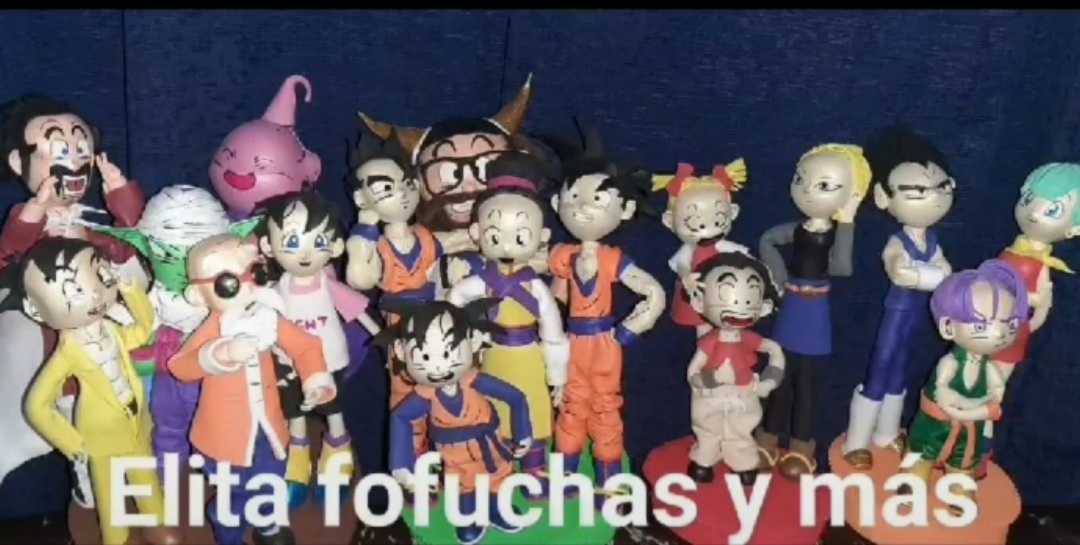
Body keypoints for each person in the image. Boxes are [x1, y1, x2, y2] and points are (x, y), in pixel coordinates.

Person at [0, 94, 147, 516]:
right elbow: (10, 254)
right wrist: (36, 211)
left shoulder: (86, 220)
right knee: (64, 385)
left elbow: (133, 241)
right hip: (50, 322)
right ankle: (84, 459)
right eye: (58, 150)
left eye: (81, 148)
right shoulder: (26, 220)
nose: (74, 161)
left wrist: (121, 194)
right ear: (18, 162)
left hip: (103, 313)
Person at [168, 234, 335, 545]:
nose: (247, 285)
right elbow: (180, 367)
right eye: (228, 283)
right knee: (237, 490)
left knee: (272, 477)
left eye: (255, 273)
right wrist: (220, 354)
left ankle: (267, 523)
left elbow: (305, 346)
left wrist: (316, 380)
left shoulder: (267, 317)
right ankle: (228, 531)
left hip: (269, 426)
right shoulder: (214, 328)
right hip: (224, 437)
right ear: (198, 294)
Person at [9, 238, 178, 545]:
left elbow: (143, 331)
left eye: (99, 278)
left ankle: (156, 524)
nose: (95, 294)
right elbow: (36, 405)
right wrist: (73, 443)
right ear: (36, 309)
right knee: (109, 494)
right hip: (100, 435)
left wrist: (131, 292)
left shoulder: (112, 329)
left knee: (146, 477)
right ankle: (117, 538)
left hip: (135, 420)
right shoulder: (66, 355)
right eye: (75, 290)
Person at [92, 185, 262, 484]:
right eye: (168, 254)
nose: (184, 265)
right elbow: (138, 320)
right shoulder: (155, 295)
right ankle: (170, 476)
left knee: (215, 426)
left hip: (215, 373)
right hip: (167, 370)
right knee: (169, 424)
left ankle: (216, 473)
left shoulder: (232, 295)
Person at [541, 121, 665, 504]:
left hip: (603, 342)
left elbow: (654, 293)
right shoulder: (562, 256)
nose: (582, 208)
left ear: (625, 209)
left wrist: (627, 332)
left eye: (598, 199)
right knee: (570, 407)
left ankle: (608, 481)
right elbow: (550, 292)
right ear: (556, 204)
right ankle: (566, 476)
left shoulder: (614, 259)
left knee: (606, 409)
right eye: (573, 196)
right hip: (571, 343)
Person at [447, 153, 569, 499]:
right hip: (492, 359)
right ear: (476, 233)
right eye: (494, 234)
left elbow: (554, 336)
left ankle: (534, 470)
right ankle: (496, 471)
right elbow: (456, 300)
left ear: (542, 237)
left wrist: (558, 376)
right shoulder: (480, 282)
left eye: (520, 237)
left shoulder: (536, 289)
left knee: (534, 411)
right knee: (493, 412)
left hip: (530, 360)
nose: (506, 246)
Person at [258, 191, 380, 507]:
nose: (305, 253)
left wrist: (385, 338)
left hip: (330, 361)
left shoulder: (328, 286)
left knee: (334, 411)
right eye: (292, 242)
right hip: (287, 363)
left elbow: (359, 313)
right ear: (268, 246)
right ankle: (297, 461)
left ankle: (338, 453)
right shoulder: (274, 291)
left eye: (319, 242)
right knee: (294, 412)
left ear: (336, 247)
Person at [843, 125, 955, 469]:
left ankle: (886, 433)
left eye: (942, 186)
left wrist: (930, 277)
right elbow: (901, 273)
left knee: (900, 372)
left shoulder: (932, 241)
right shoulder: (898, 242)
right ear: (882, 196)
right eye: (917, 190)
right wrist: (932, 277)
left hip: (917, 315)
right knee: (880, 369)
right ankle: (857, 441)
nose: (934, 197)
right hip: (897, 313)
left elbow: (945, 272)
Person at [757, 143, 869, 480]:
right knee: (778, 375)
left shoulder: (835, 231)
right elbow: (767, 240)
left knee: (806, 384)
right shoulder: (795, 229)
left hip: (815, 312)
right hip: (791, 306)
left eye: (823, 185)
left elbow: (843, 268)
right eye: (801, 180)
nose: (807, 191)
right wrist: (777, 277)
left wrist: (847, 221)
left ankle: (801, 450)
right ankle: (766, 440)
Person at [382, 298, 532, 545]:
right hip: (454, 456)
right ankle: (469, 516)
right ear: (400, 351)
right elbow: (401, 417)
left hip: (490, 445)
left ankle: (497, 509)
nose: (438, 367)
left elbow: (515, 396)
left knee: (499, 478)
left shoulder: (474, 380)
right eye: (425, 356)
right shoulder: (425, 394)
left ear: (473, 342)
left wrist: (523, 432)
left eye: (447, 353)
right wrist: (401, 464)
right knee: (464, 488)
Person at [345, 123, 443, 465]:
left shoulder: (426, 236)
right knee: (406, 397)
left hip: (439, 326)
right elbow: (359, 278)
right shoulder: (376, 245)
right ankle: (409, 468)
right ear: (362, 200)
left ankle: (445, 463)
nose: (401, 194)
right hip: (401, 328)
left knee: (444, 393)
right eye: (386, 188)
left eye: (407, 183)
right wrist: (364, 228)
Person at [902, 260, 1025, 512]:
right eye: (982, 325)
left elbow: (996, 392)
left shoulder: (990, 368)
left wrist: (985, 405)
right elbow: (943, 394)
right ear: (948, 327)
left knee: (965, 458)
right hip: (935, 426)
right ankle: (914, 477)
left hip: (969, 432)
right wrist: (974, 409)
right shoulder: (949, 363)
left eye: (1009, 324)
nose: (999, 333)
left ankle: (960, 482)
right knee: (922, 450)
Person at [684, 252, 785, 487]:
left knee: (741, 429)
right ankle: (704, 460)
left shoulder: (749, 338)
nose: (741, 308)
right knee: (708, 428)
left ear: (764, 307)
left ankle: (743, 462)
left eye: (750, 299)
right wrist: (711, 379)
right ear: (699, 303)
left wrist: (770, 380)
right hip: (712, 394)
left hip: (743, 392)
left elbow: (774, 350)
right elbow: (692, 374)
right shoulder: (709, 342)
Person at [653, 159, 750, 337]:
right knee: (703, 327)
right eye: (696, 224)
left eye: (719, 221)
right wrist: (687, 278)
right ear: (669, 222)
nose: (709, 231)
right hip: (699, 294)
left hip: (725, 294)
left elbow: (747, 259)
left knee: (727, 324)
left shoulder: (725, 246)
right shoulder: (688, 251)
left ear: (733, 213)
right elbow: (681, 265)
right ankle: (705, 351)